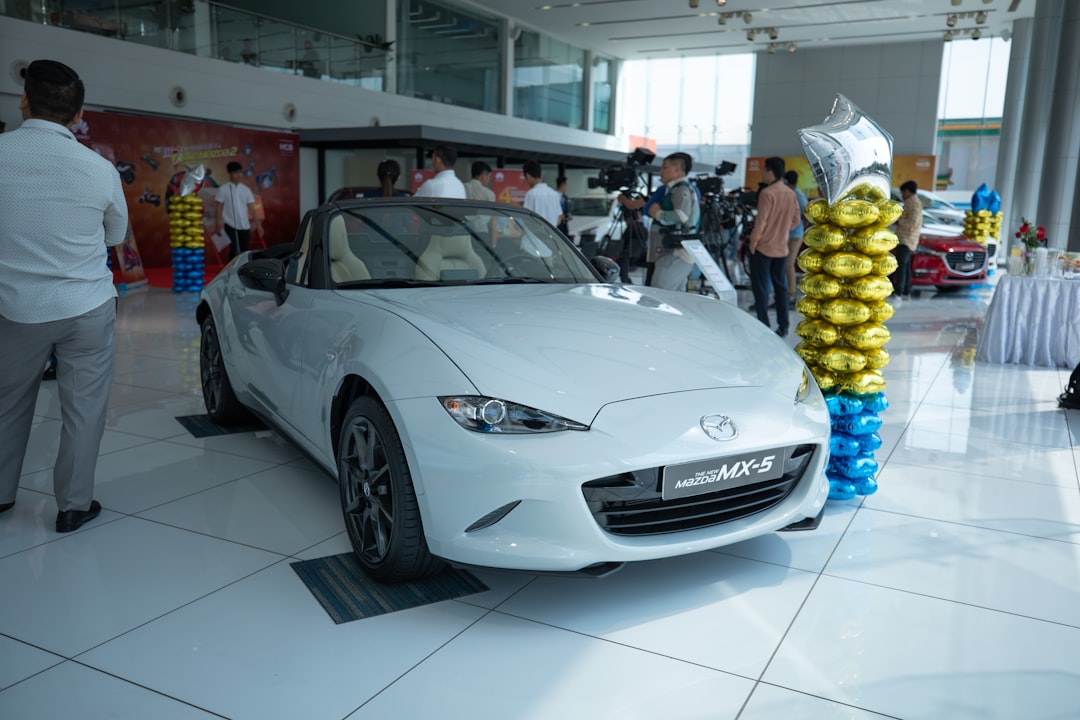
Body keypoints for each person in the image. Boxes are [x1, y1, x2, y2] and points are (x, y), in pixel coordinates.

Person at [0, 59, 128, 532]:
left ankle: (1, 494)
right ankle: (73, 506)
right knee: (84, 408)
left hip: (15, 309)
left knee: (7, 403)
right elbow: (117, 232)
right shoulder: (98, 168)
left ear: (23, 100)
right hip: (86, 307)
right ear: (78, 115)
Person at [748, 156, 801, 336]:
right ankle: (784, 325)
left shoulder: (767, 193)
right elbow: (796, 220)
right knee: (781, 287)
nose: (763, 175)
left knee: (761, 287)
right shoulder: (790, 193)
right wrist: (783, 229)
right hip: (782, 248)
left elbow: (761, 222)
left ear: (770, 173)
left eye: (764, 171)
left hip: (763, 247)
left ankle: (764, 324)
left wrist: (753, 242)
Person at [645, 152, 700, 291]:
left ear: (676, 170)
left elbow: (681, 216)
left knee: (659, 295)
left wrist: (657, 213)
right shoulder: (673, 190)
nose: (660, 171)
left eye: (665, 167)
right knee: (676, 299)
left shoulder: (682, 189)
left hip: (674, 253)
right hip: (671, 252)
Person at [214, 161, 263, 261]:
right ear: (230, 173)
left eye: (240, 172)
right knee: (235, 248)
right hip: (230, 223)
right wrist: (218, 224)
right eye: (236, 172)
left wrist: (258, 224)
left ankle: (241, 270)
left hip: (245, 225)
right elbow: (218, 207)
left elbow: (251, 208)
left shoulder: (246, 190)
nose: (239, 175)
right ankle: (230, 270)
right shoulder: (223, 189)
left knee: (244, 250)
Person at [892, 180, 922, 300]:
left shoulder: (912, 203)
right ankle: (906, 291)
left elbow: (912, 222)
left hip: (906, 239)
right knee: (906, 267)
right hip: (909, 239)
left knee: (902, 266)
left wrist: (898, 221)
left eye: (903, 192)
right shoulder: (913, 202)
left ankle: (898, 293)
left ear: (907, 191)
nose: (902, 195)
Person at [783, 170, 809, 308]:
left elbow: (806, 213)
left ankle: (791, 295)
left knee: (788, 264)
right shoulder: (790, 193)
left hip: (795, 235)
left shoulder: (798, 195)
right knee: (783, 264)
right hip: (788, 234)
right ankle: (784, 294)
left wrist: (801, 228)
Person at [522, 160, 564, 228]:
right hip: (551, 236)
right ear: (541, 175)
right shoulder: (554, 194)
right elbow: (559, 219)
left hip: (535, 235)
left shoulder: (531, 194)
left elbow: (526, 218)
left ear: (528, 175)